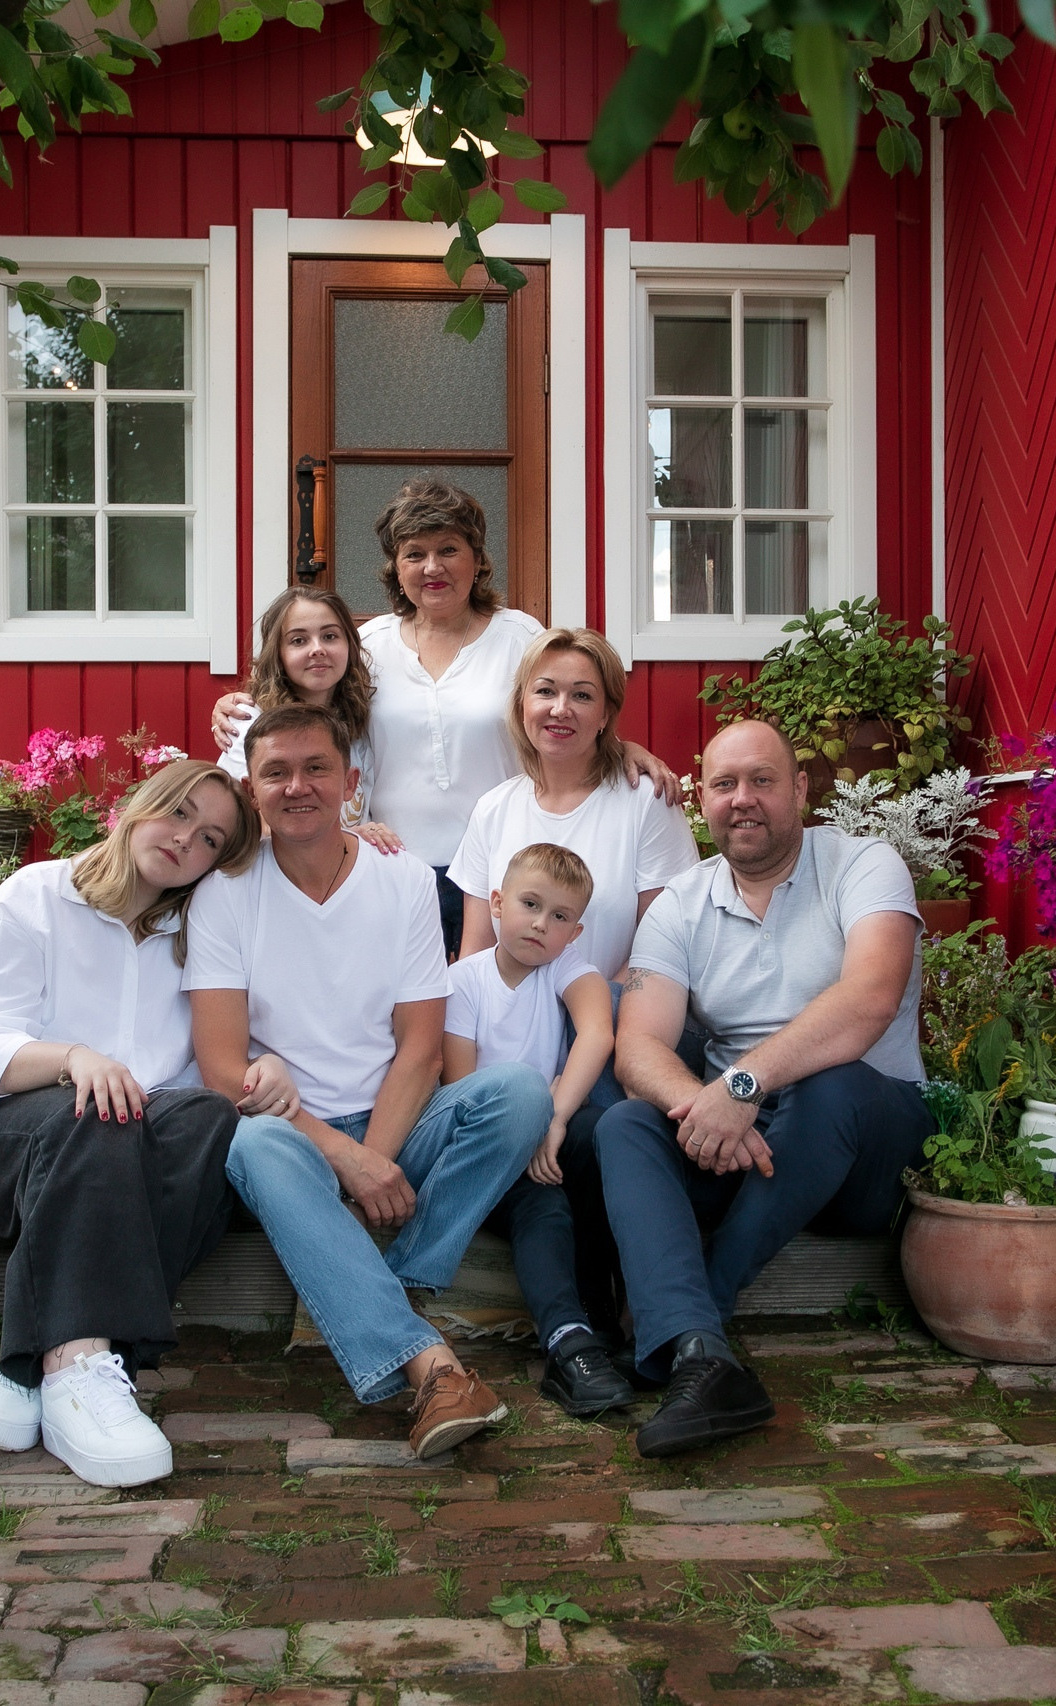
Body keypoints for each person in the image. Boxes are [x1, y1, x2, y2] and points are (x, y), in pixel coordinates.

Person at [185, 703, 554, 1458]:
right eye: (275, 773)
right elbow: (223, 1070)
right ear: (251, 790)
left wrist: (372, 1160)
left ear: (350, 781)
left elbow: (420, 1049)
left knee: (516, 1092)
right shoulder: (225, 892)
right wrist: (345, 1159)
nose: (297, 787)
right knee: (252, 1144)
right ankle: (430, 1366)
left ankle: (389, 1275)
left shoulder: (404, 878)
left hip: (393, 1122)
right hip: (291, 1140)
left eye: (316, 768)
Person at [596, 719, 935, 1459]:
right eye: (722, 785)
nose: (741, 800)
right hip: (740, 1145)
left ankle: (700, 1314)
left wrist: (742, 1082)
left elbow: (868, 1001)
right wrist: (704, 1105)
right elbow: (638, 1045)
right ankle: (697, 1352)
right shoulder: (681, 904)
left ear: (800, 790)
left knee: (832, 1083)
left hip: (864, 1149)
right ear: (701, 802)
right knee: (624, 1125)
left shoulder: (861, 865)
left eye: (761, 780)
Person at [0, 760, 260, 1488]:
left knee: (204, 1116)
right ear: (141, 805)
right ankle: (72, 1367)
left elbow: (205, 1069)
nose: (183, 840)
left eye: (208, 839)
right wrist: (74, 1057)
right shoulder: (37, 896)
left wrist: (272, 1068)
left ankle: (34, 1374)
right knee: (100, 1112)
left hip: (107, 1163)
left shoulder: (191, 937)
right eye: (177, 814)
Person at [212, 482, 679, 956]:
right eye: (414, 553)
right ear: (396, 567)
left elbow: (566, 704)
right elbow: (313, 707)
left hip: (505, 873)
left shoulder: (518, 637)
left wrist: (621, 747)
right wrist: (242, 706)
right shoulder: (367, 646)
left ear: (476, 560)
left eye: (448, 549)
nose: (432, 567)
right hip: (394, 866)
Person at [442, 842, 635, 1417]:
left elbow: (597, 1033)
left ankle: (607, 1316)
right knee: (543, 1204)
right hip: (481, 1149)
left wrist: (553, 1120)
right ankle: (569, 1344)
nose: (539, 924)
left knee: (604, 1134)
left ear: (573, 934)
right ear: (496, 903)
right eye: (529, 904)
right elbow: (462, 1090)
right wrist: (529, 1127)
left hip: (543, 1137)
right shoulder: (464, 981)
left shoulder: (566, 968)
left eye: (559, 917)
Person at [450, 627, 699, 982]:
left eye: (581, 696)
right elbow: (476, 953)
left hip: (616, 1019)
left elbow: (664, 946)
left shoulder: (647, 803)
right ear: (522, 704)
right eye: (545, 691)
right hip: (508, 1027)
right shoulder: (493, 809)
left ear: (604, 715)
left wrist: (591, 1018)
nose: (560, 709)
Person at [214, 586, 398, 850]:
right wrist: (351, 839)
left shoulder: (359, 721)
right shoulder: (250, 723)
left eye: (330, 636)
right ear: (278, 653)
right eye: (298, 640)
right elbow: (264, 826)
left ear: (349, 646)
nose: (317, 649)